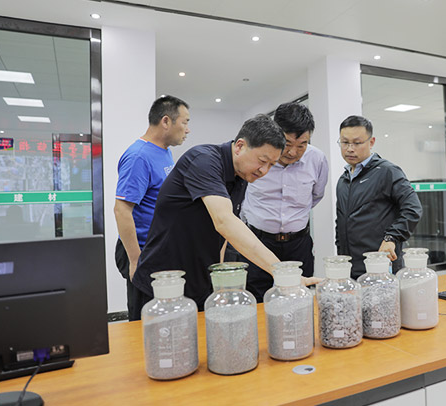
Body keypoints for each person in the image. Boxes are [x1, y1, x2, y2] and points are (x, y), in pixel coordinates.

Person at [131, 115, 320, 320]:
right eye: (262, 161)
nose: (264, 171)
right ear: (240, 146)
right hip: (162, 284)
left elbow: (222, 236)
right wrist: (281, 272)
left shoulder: (242, 176)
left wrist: (218, 283)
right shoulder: (203, 160)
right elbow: (224, 222)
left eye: (271, 165)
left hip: (200, 285)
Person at [233, 103, 329, 302]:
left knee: (298, 300)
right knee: (258, 300)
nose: (293, 152)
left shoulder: (317, 160)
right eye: (287, 143)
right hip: (257, 242)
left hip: (298, 245)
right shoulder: (255, 159)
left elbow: (316, 196)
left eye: (301, 145)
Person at [113, 95, 190, 320]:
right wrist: (136, 261)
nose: (187, 129)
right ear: (166, 121)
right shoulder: (139, 156)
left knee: (164, 318)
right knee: (145, 320)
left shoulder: (164, 151)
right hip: (143, 251)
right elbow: (122, 210)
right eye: (184, 122)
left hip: (159, 249)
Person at [335, 115, 422, 278]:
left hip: (380, 266)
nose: (350, 149)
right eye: (345, 142)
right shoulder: (343, 180)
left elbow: (413, 208)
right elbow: (341, 222)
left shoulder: (387, 171)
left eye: (357, 143)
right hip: (350, 269)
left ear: (371, 142)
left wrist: (392, 237)